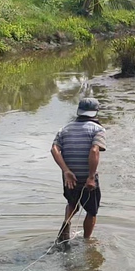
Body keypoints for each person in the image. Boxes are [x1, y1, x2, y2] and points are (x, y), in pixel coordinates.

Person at [51, 97, 107, 242]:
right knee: (91, 211)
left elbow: (54, 149)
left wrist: (66, 171)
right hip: (87, 177)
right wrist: (90, 177)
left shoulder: (64, 129)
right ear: (95, 113)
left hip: (70, 178)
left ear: (79, 111)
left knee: (72, 204)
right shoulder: (98, 130)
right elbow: (94, 151)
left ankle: (67, 222)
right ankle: (87, 241)